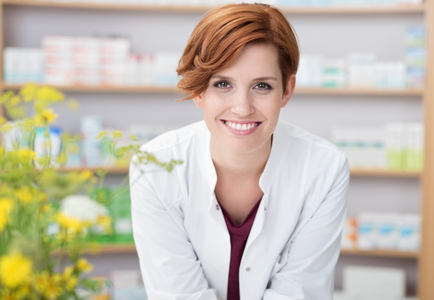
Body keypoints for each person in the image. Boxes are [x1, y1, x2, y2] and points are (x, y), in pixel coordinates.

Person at [130, 3, 350, 300]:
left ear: (286, 91)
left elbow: (299, 291)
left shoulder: (324, 168)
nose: (242, 108)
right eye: (223, 84)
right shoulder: (155, 167)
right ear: (198, 91)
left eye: (261, 86)